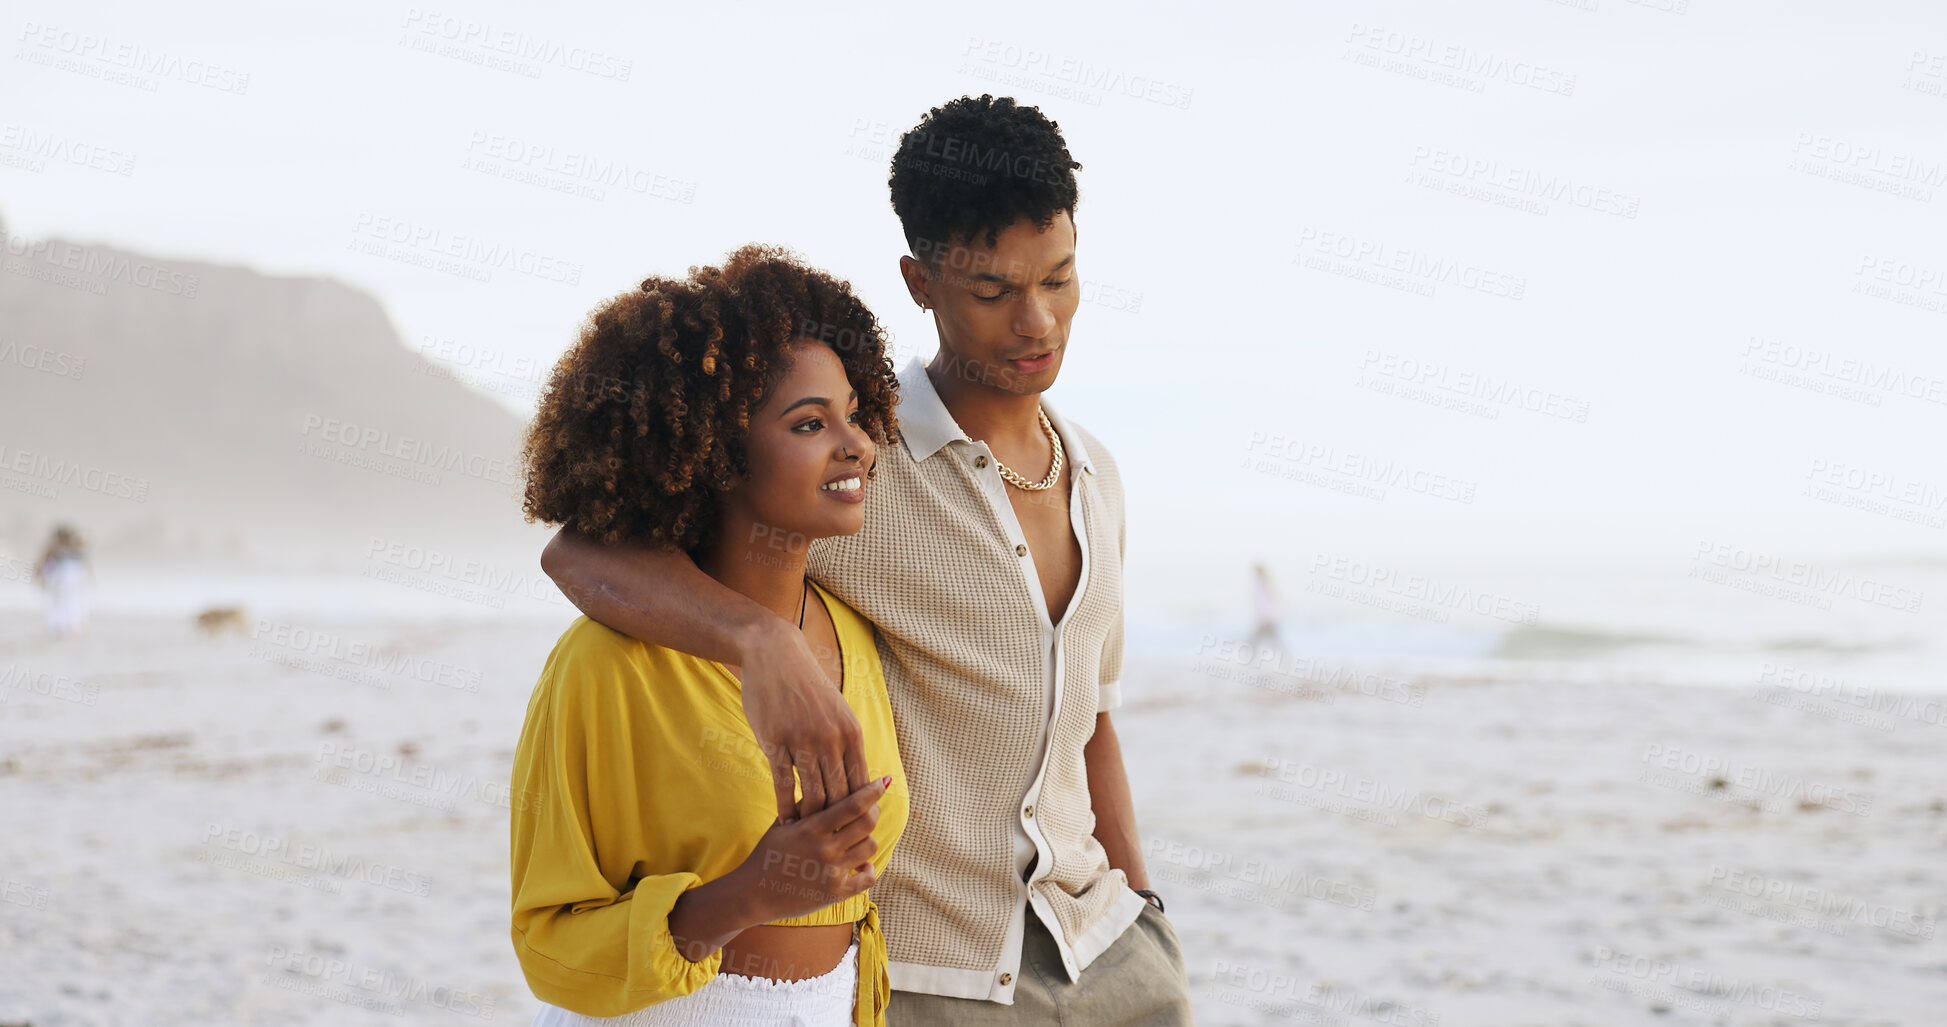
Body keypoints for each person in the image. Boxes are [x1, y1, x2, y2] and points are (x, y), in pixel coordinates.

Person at [542, 95, 1194, 1024]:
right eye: (993, 290)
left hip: (1110, 951)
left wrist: (1143, 906)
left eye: (1058, 279)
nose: (1036, 321)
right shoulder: (853, 461)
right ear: (919, 281)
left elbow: (1089, 722)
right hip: (943, 974)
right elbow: (581, 551)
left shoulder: (1095, 476)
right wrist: (759, 642)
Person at [508, 243, 910, 1027]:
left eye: (855, 414)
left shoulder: (855, 635)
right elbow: (546, 944)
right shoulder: (604, 665)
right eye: (808, 422)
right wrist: (751, 891)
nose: (855, 442)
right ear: (717, 453)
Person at [35, 524, 90, 638]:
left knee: (68, 603)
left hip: (65, 579)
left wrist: (39, 576)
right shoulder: (55, 548)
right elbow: (42, 563)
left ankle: (67, 627)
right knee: (62, 603)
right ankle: (61, 627)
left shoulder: (72, 547)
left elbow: (41, 563)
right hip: (60, 579)